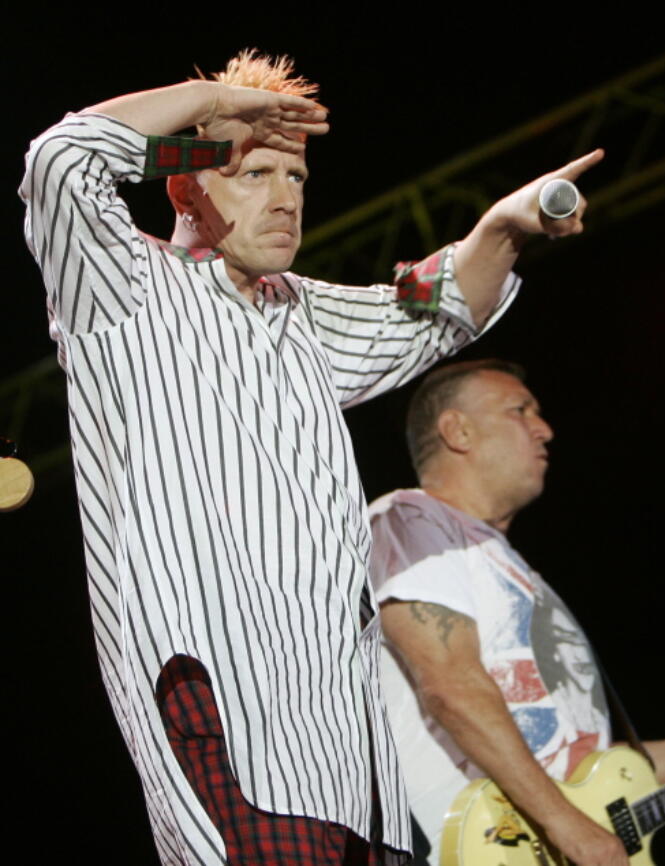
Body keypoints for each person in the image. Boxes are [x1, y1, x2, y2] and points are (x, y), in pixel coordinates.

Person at [19, 51, 601, 866]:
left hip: (353, 770)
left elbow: (441, 312)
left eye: (295, 178)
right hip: (228, 725)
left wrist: (502, 225)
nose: (285, 198)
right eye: (255, 172)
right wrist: (212, 114)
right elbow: (59, 160)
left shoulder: (303, 314)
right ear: (187, 186)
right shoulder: (123, 292)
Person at [368, 360, 665, 866]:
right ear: (458, 431)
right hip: (454, 845)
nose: (545, 429)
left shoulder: (522, 577)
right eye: (521, 411)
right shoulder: (411, 519)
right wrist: (564, 823)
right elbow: (450, 685)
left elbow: (595, 768)